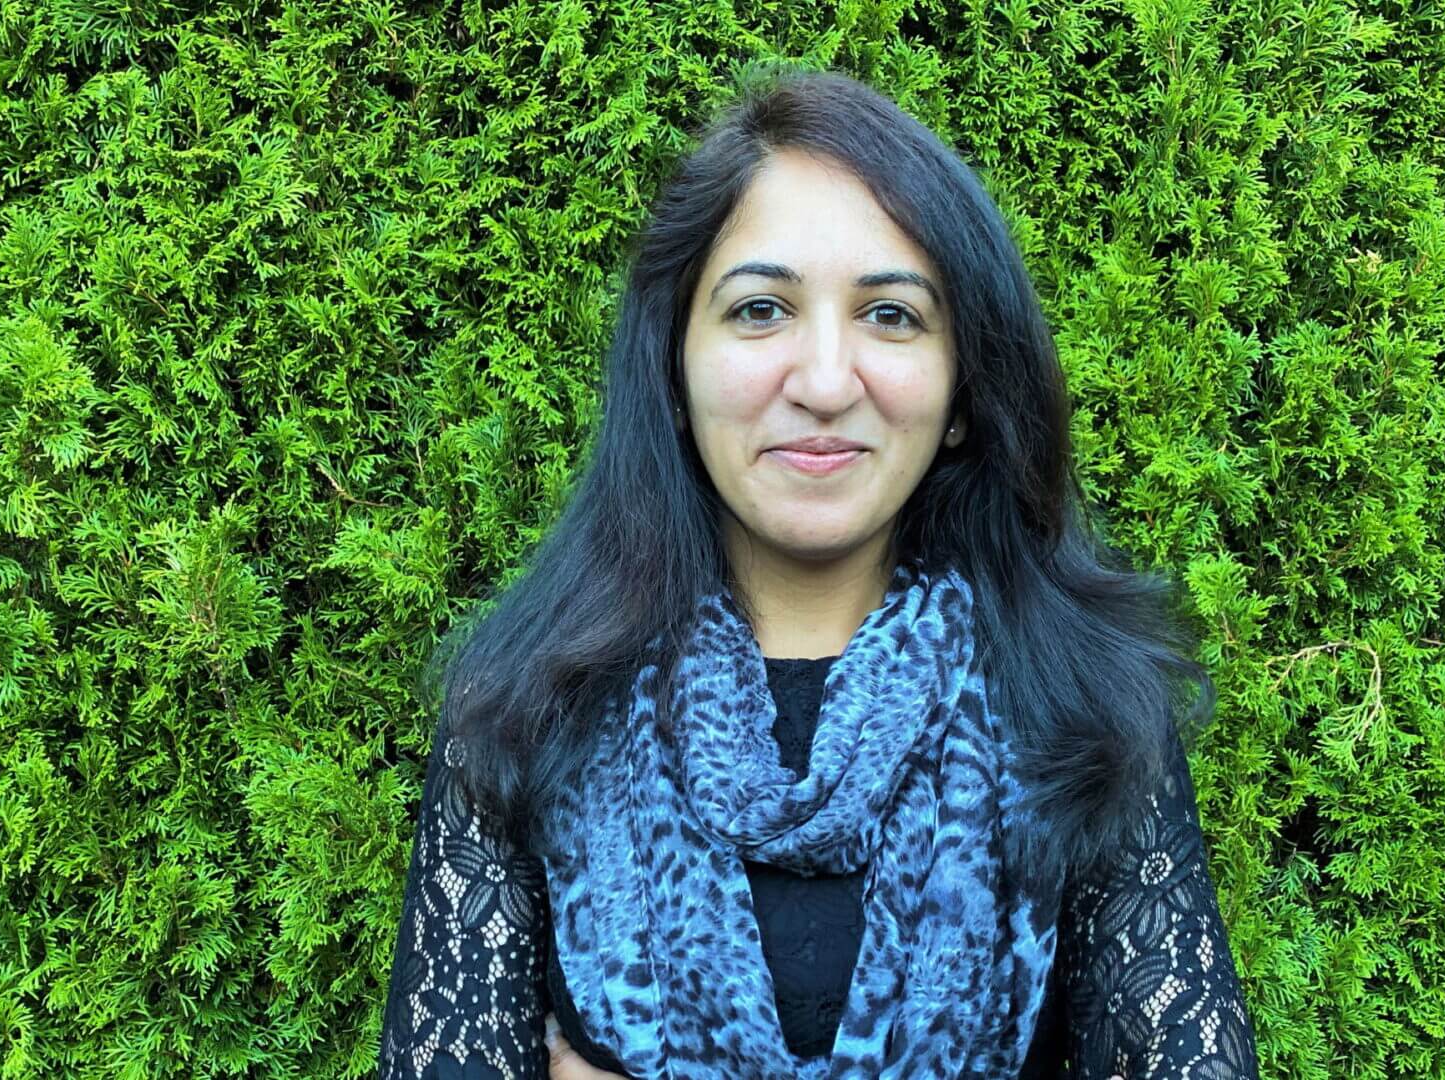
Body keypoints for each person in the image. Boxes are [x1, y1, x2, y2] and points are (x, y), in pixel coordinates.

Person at [375, 66, 1258, 1080]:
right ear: (672, 368)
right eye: (761, 311)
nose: (828, 380)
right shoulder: (527, 709)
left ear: (962, 389)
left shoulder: (1085, 713)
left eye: (891, 317)